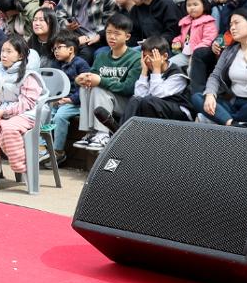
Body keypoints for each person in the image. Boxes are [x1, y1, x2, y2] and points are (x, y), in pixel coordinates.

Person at [0, 36, 45, 190]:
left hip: (26, 114)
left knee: (9, 130)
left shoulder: (28, 75)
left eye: (9, 51)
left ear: (20, 55)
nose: (3, 54)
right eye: (3, 51)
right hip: (3, 113)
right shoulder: (0, 73)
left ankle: (23, 169)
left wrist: (4, 112)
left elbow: (27, 103)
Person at [71, 14, 141, 152]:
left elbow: (129, 88)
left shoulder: (136, 58)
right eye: (108, 32)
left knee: (98, 88)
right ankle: (91, 132)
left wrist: (101, 81)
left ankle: (103, 134)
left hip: (125, 104)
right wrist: (80, 79)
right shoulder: (101, 56)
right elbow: (92, 76)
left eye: (117, 33)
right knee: (86, 87)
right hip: (104, 102)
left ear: (127, 36)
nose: (111, 37)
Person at [101, 35, 192, 128]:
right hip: (156, 108)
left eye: (152, 56)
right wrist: (144, 72)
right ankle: (122, 131)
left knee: (148, 101)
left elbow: (157, 95)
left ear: (164, 56)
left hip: (180, 113)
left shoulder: (177, 75)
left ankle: (124, 131)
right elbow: (139, 95)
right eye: (145, 56)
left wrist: (156, 70)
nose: (147, 60)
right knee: (135, 100)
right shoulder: (149, 70)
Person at [41, 35, 89, 169]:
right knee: (44, 114)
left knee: (60, 117)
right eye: (54, 48)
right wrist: (54, 98)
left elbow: (85, 87)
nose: (55, 51)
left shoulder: (81, 64)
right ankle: (43, 149)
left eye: (59, 48)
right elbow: (53, 85)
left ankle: (58, 152)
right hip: (58, 101)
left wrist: (71, 99)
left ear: (71, 49)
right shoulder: (56, 64)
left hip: (76, 103)